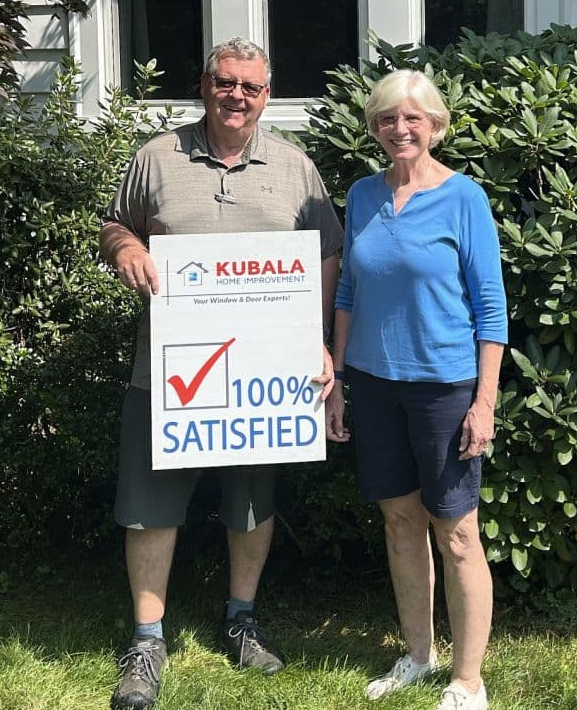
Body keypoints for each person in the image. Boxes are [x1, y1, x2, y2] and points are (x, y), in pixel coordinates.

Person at [100, 37, 342, 710]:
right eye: (225, 83)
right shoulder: (157, 156)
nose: (237, 96)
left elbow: (328, 253)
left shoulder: (295, 168)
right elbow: (115, 225)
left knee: (251, 503)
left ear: (268, 95)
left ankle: (241, 620)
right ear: (204, 85)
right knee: (150, 509)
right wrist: (124, 250)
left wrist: (315, 340)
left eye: (251, 87)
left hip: (263, 376)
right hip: (170, 369)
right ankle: (147, 641)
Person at [325, 69, 507, 710]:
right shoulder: (363, 195)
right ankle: (418, 656)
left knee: (456, 533)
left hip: (445, 388)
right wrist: (340, 380)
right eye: (385, 118)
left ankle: (468, 681)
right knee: (400, 522)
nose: (399, 129)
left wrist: (484, 401)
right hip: (374, 385)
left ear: (434, 125)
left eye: (412, 118)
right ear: (373, 127)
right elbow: (348, 292)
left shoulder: (465, 199)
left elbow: (491, 307)